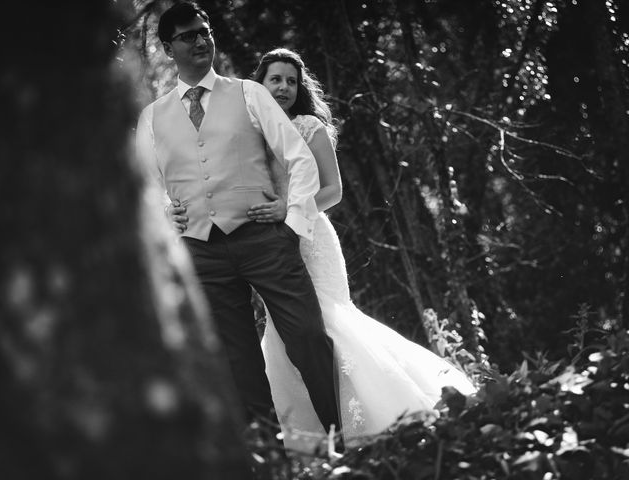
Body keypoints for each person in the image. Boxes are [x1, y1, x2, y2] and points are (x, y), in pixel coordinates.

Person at [171, 47, 477, 453]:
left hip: (311, 238)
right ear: (257, 85)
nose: (282, 87)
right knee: (283, 335)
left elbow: (333, 191)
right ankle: (308, 442)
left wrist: (289, 207)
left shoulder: (308, 126)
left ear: (300, 90)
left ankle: (373, 418)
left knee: (326, 323)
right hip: (262, 244)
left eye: (291, 81)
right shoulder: (243, 131)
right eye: (274, 79)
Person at [135, 3, 342, 443]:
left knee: (307, 338)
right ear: (168, 48)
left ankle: (337, 440)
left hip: (266, 241)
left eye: (205, 32)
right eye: (189, 35)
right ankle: (271, 460)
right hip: (201, 252)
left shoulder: (249, 93)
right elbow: (143, 189)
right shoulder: (151, 118)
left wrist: (292, 226)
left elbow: (300, 161)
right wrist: (164, 217)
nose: (201, 41)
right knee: (237, 362)